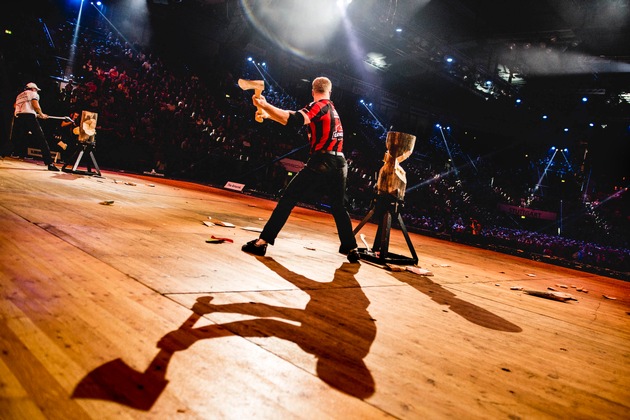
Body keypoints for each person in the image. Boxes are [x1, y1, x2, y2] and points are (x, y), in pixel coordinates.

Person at [241, 76, 360, 263]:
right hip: (340, 163)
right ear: (330, 91)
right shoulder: (332, 110)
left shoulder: (319, 105)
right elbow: (289, 117)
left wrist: (265, 105)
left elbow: (294, 119)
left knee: (288, 199)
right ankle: (351, 247)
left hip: (322, 160)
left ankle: (262, 242)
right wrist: (267, 114)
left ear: (313, 91)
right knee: (338, 206)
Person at [1, 82, 60, 171]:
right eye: (36, 89)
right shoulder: (33, 93)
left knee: (15, 139)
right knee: (41, 139)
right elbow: (35, 104)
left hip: (19, 117)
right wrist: (41, 114)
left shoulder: (19, 95)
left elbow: (15, 106)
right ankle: (49, 163)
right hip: (29, 117)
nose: (37, 91)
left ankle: (2, 153)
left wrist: (35, 113)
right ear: (33, 89)